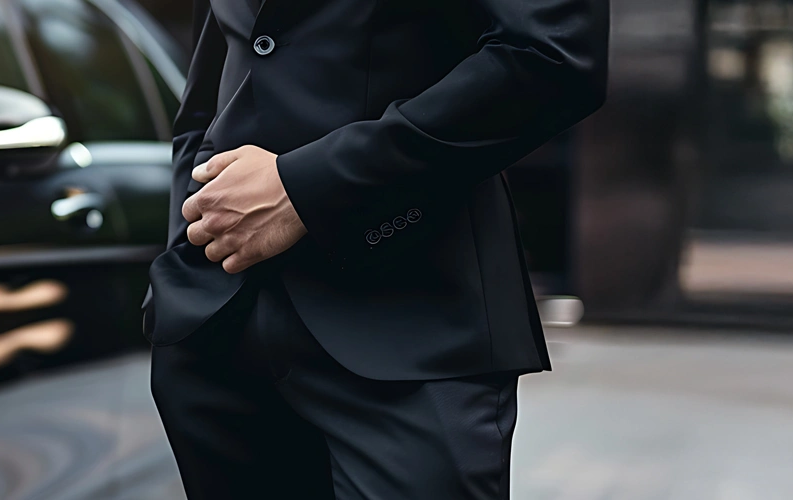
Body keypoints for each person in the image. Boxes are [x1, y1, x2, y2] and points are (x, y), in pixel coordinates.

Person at [141, 0, 607, 497]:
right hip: (221, 328)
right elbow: (207, 92)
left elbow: (551, 54)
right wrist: (185, 254)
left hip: (412, 323)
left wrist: (309, 188)